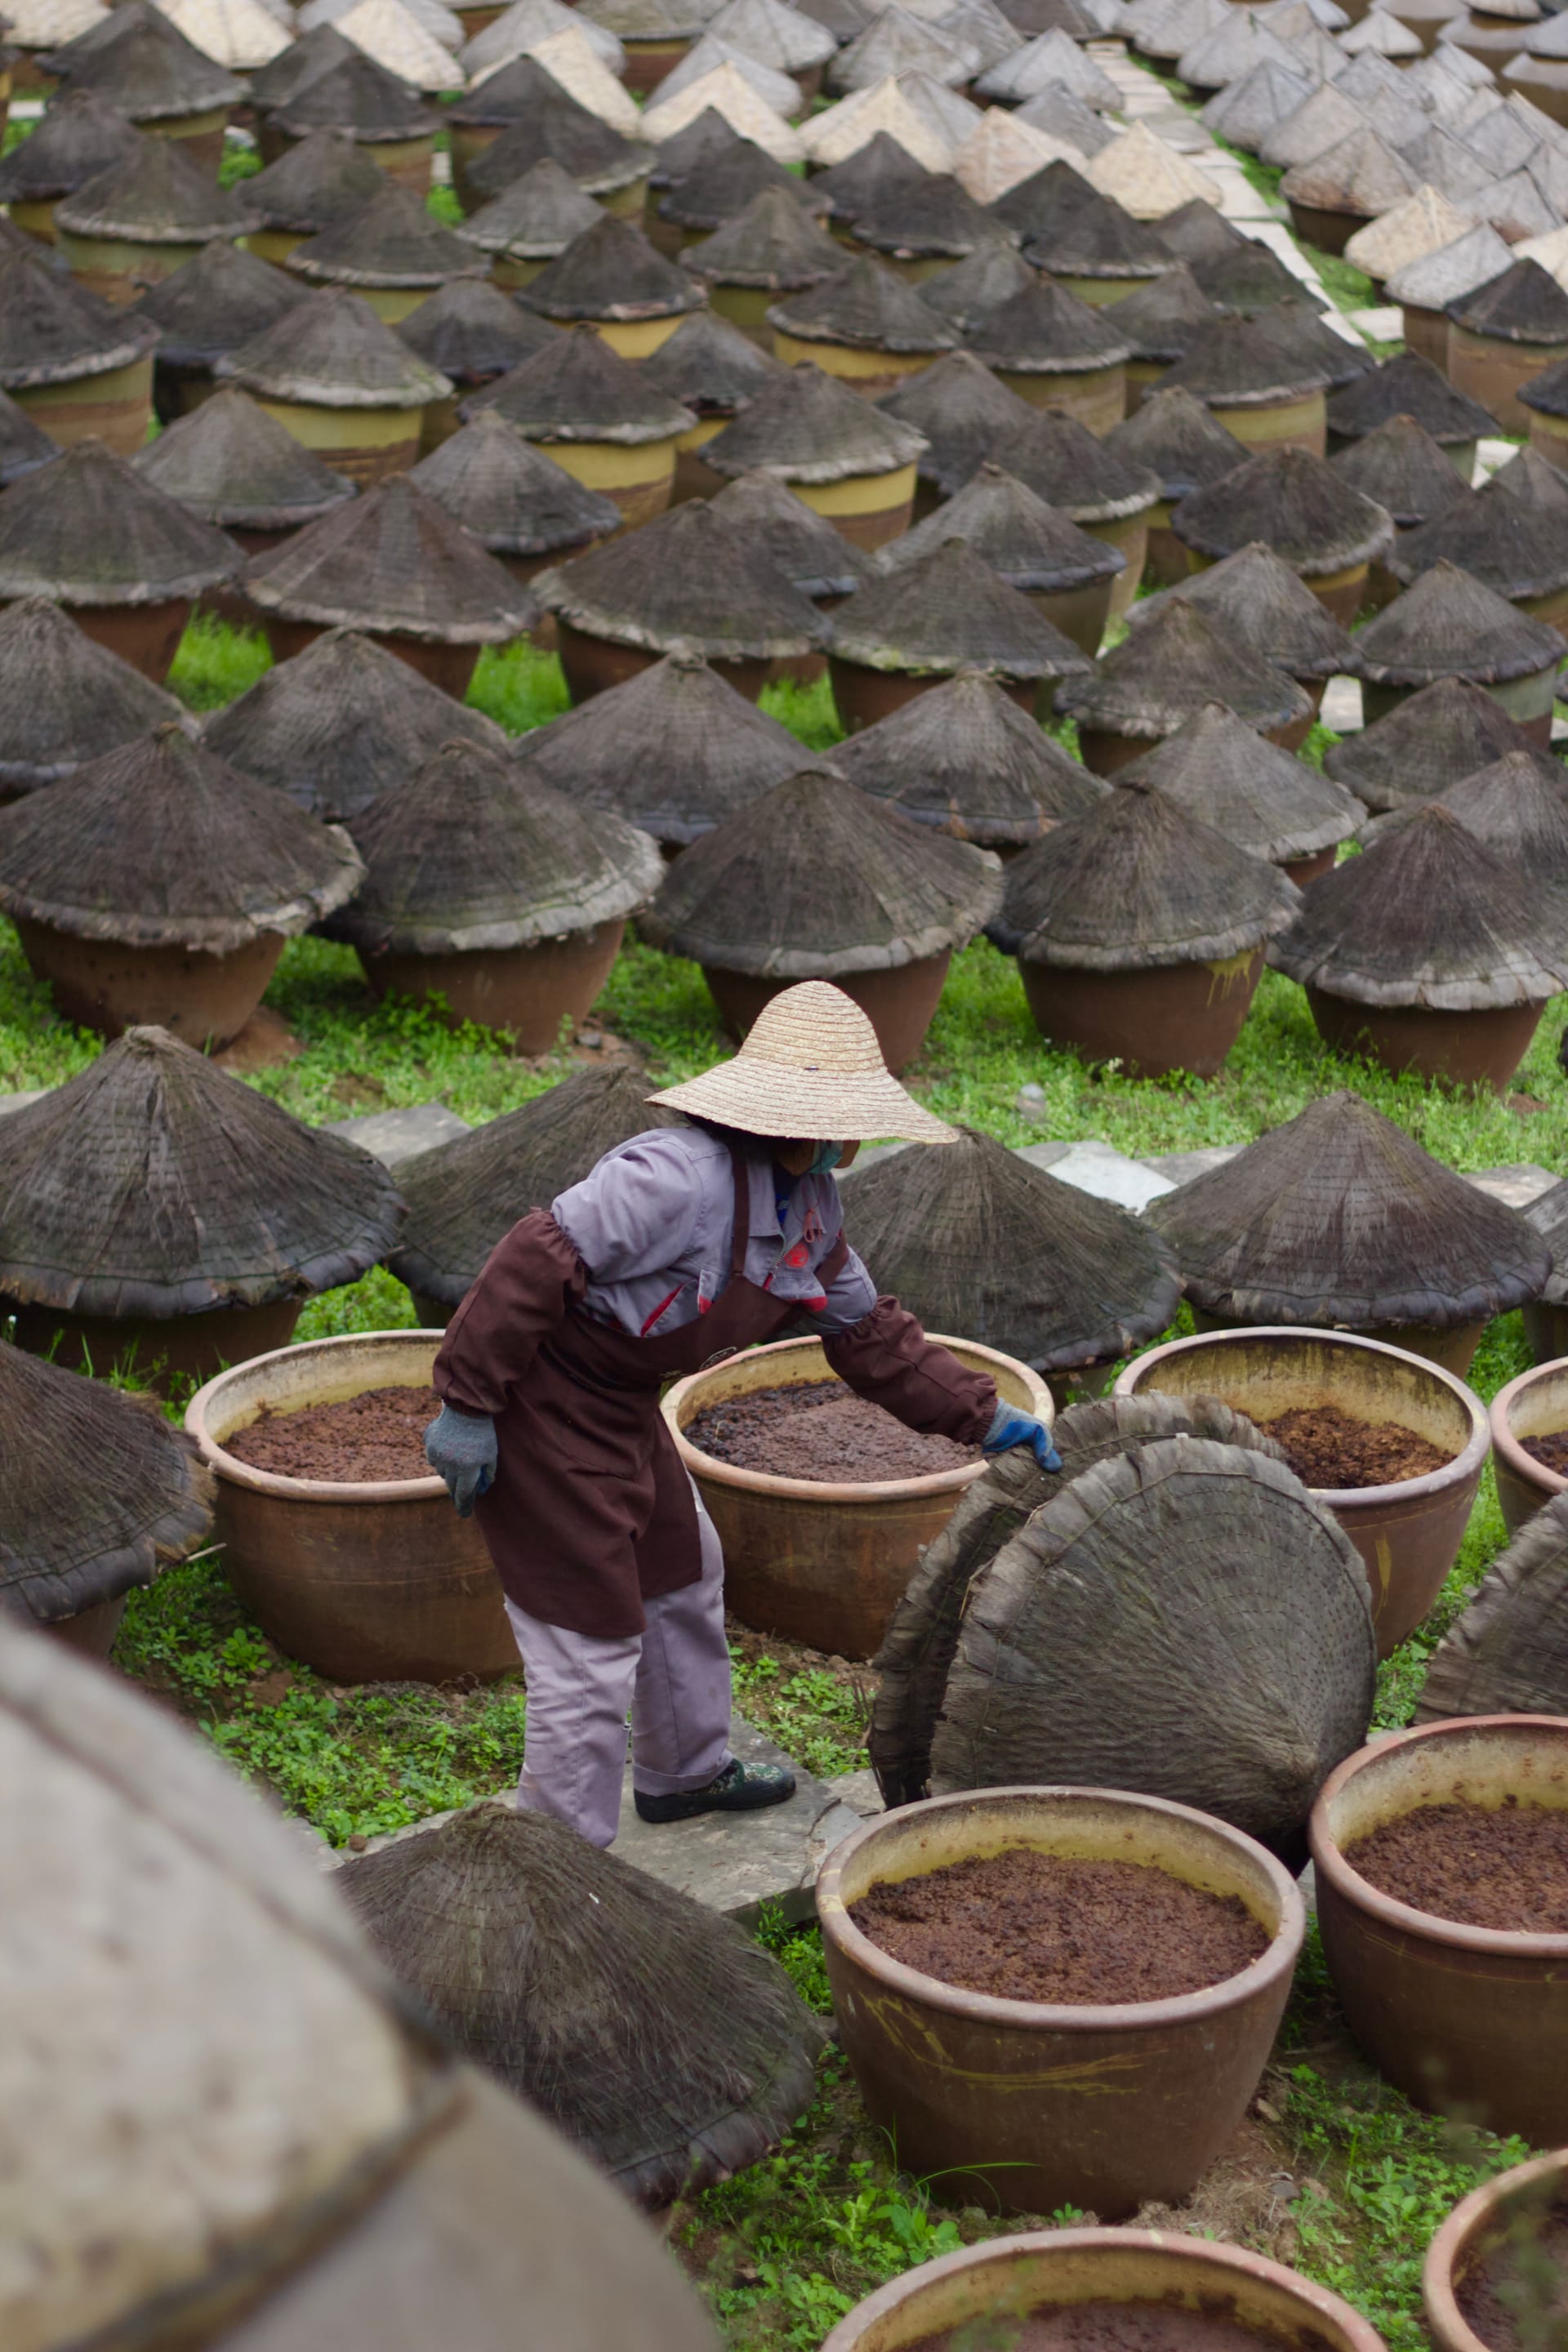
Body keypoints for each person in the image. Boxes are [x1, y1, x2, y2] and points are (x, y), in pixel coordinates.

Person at [425, 982, 1060, 1849]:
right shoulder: (669, 1182)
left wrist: (983, 1420)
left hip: (620, 1408)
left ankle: (683, 1774)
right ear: (804, 1123)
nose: (855, 1138)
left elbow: (869, 1335)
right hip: (541, 1409)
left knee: (684, 1574)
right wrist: (467, 1401)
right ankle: (560, 1858)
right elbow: (536, 1258)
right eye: (847, 1121)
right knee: (590, 1639)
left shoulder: (810, 1211)